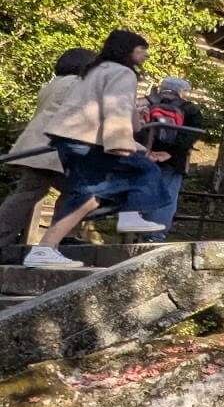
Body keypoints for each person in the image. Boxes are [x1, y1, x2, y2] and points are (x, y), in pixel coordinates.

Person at [23, 31, 168, 269]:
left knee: (86, 198)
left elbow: (124, 112)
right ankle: (130, 214)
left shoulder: (94, 70)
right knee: (145, 170)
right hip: (89, 141)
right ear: (127, 50)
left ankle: (45, 249)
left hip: (68, 138)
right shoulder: (123, 72)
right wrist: (120, 142)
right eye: (142, 50)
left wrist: (134, 121)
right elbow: (117, 109)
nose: (145, 55)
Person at [0, 48, 94, 248]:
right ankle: (56, 240)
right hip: (55, 149)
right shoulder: (78, 85)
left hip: (37, 145)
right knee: (80, 192)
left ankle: (8, 238)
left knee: (28, 193)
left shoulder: (53, 85)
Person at [137, 77, 204, 242]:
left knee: (141, 191)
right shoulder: (190, 109)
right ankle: (155, 235)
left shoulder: (147, 104)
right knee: (166, 197)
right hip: (172, 161)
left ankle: (134, 231)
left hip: (143, 156)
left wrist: (146, 150)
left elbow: (135, 128)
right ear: (182, 92)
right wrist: (172, 152)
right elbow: (191, 135)